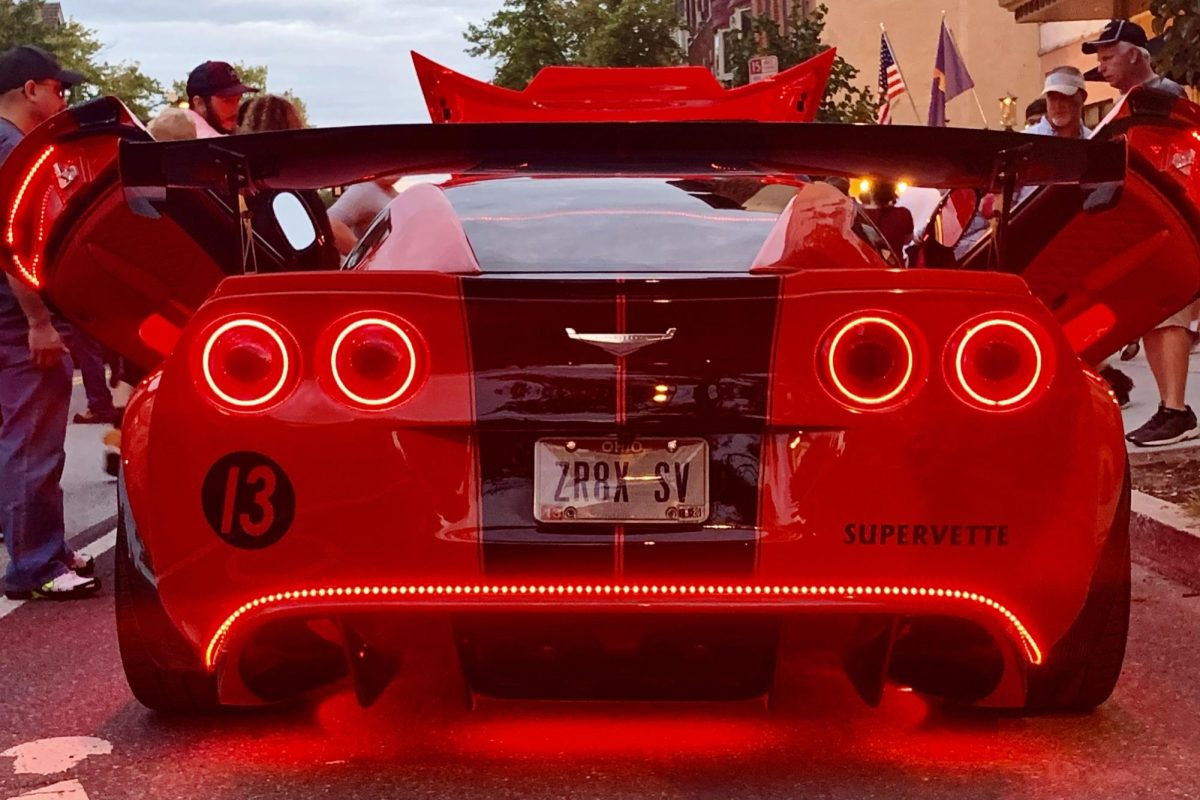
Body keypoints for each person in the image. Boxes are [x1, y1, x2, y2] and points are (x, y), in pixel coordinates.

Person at [0, 45, 98, 599]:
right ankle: (36, 565)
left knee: (20, 437)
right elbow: (12, 241)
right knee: (34, 442)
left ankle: (43, 548)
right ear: (30, 89)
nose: (64, 100)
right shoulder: (13, 148)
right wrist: (39, 319)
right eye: (59, 89)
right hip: (17, 318)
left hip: (7, 315)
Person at [1084, 19, 1199, 446]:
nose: (1102, 65)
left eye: (1108, 56)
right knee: (1157, 312)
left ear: (1135, 53)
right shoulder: (1135, 102)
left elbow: (1170, 164)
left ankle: (1175, 410)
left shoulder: (1159, 100)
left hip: (1173, 223)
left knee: (1168, 311)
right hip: (1156, 224)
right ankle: (1172, 409)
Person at [184, 60, 258, 137]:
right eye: (226, 100)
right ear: (200, 103)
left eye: (238, 100)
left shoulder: (179, 132)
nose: (235, 109)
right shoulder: (212, 141)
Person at [328, 175, 399, 255]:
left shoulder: (390, 192)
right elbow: (331, 223)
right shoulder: (363, 189)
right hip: (380, 264)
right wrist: (361, 255)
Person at [1025, 67, 1092, 139]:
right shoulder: (1024, 141)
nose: (1058, 105)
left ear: (1082, 97)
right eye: (1052, 98)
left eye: (1064, 97)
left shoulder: (1094, 140)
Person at [862, 179, 914, 259]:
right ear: (893, 191)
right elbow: (908, 240)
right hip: (894, 267)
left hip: (866, 267)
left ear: (870, 191)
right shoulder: (903, 213)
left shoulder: (859, 214)